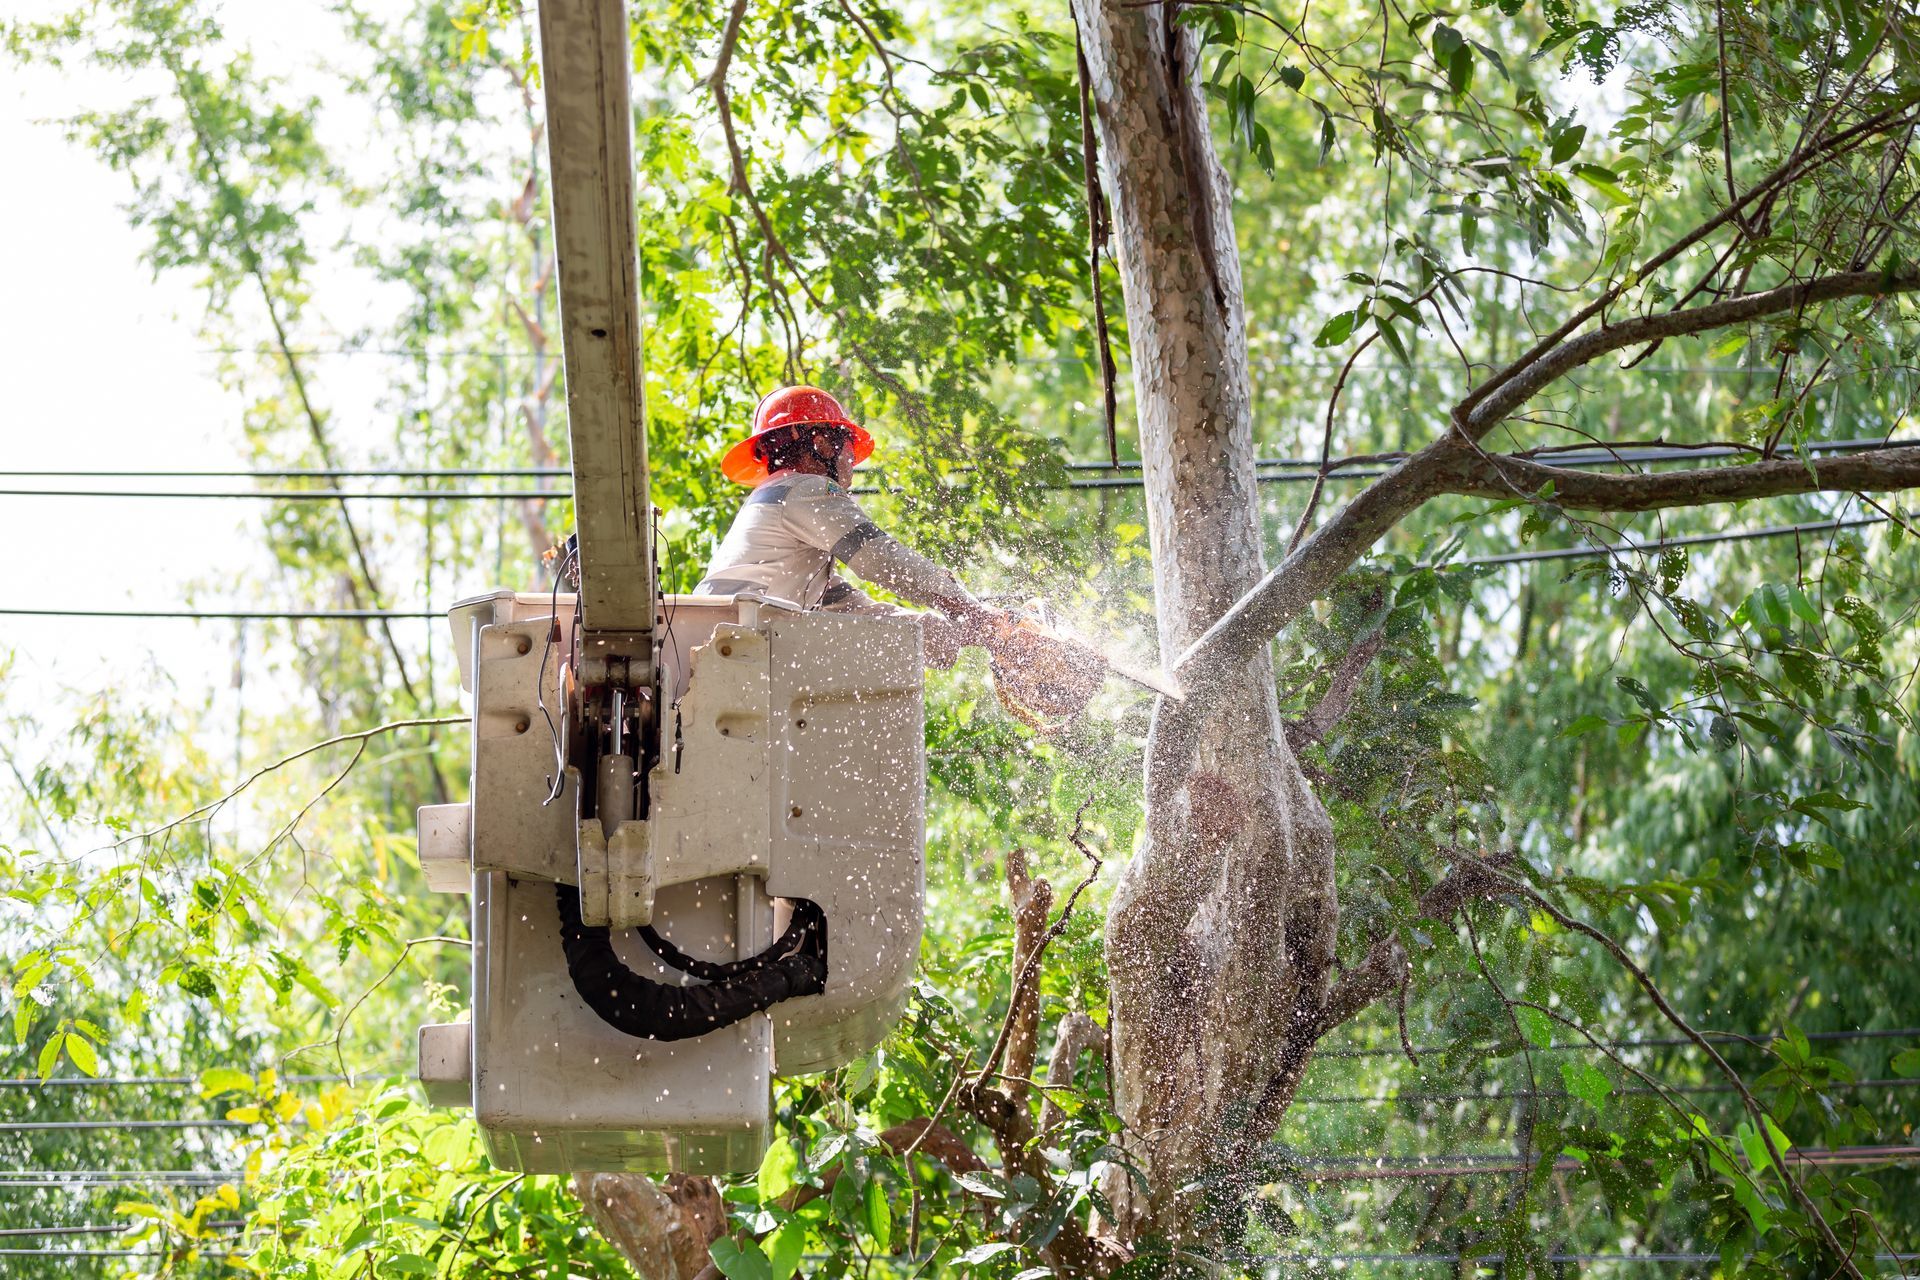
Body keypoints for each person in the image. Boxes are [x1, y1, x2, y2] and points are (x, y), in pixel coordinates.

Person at [695, 384, 1003, 664]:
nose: (851, 465)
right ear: (823, 444)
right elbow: (880, 558)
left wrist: (957, 634)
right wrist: (973, 611)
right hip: (734, 648)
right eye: (849, 451)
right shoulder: (806, 489)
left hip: (720, 649)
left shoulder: (779, 509)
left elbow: (854, 611)